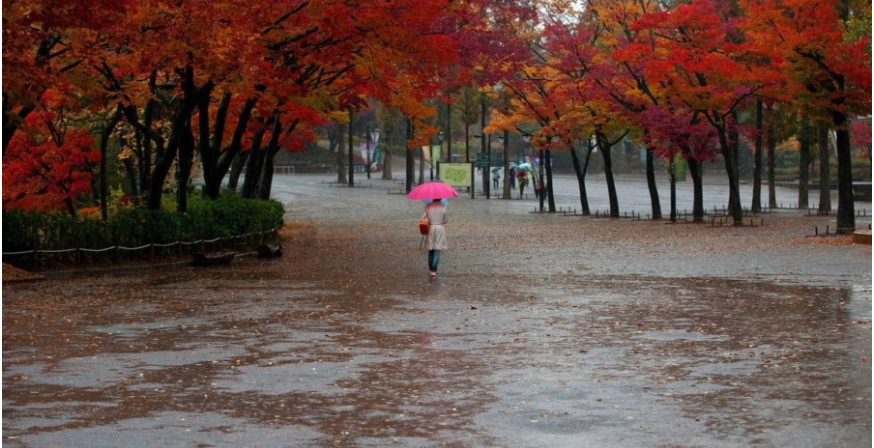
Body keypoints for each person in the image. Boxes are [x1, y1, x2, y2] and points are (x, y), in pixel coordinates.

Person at [422, 199, 448, 278]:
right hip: (440, 228)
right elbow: (446, 220)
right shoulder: (444, 207)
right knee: (437, 249)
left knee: (431, 249)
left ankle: (430, 269)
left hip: (430, 228)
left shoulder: (428, 207)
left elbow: (423, 219)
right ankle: (434, 269)